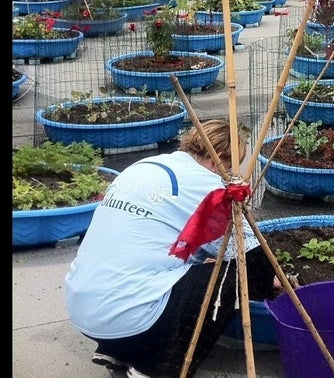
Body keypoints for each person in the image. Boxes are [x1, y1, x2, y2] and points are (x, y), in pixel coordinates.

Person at [64, 120, 277, 378]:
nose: (230, 175)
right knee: (233, 276)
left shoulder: (141, 167)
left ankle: (117, 350)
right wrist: (271, 280)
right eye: (231, 167)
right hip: (133, 321)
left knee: (155, 266)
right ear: (218, 159)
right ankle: (152, 367)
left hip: (83, 309)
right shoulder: (207, 184)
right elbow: (249, 254)